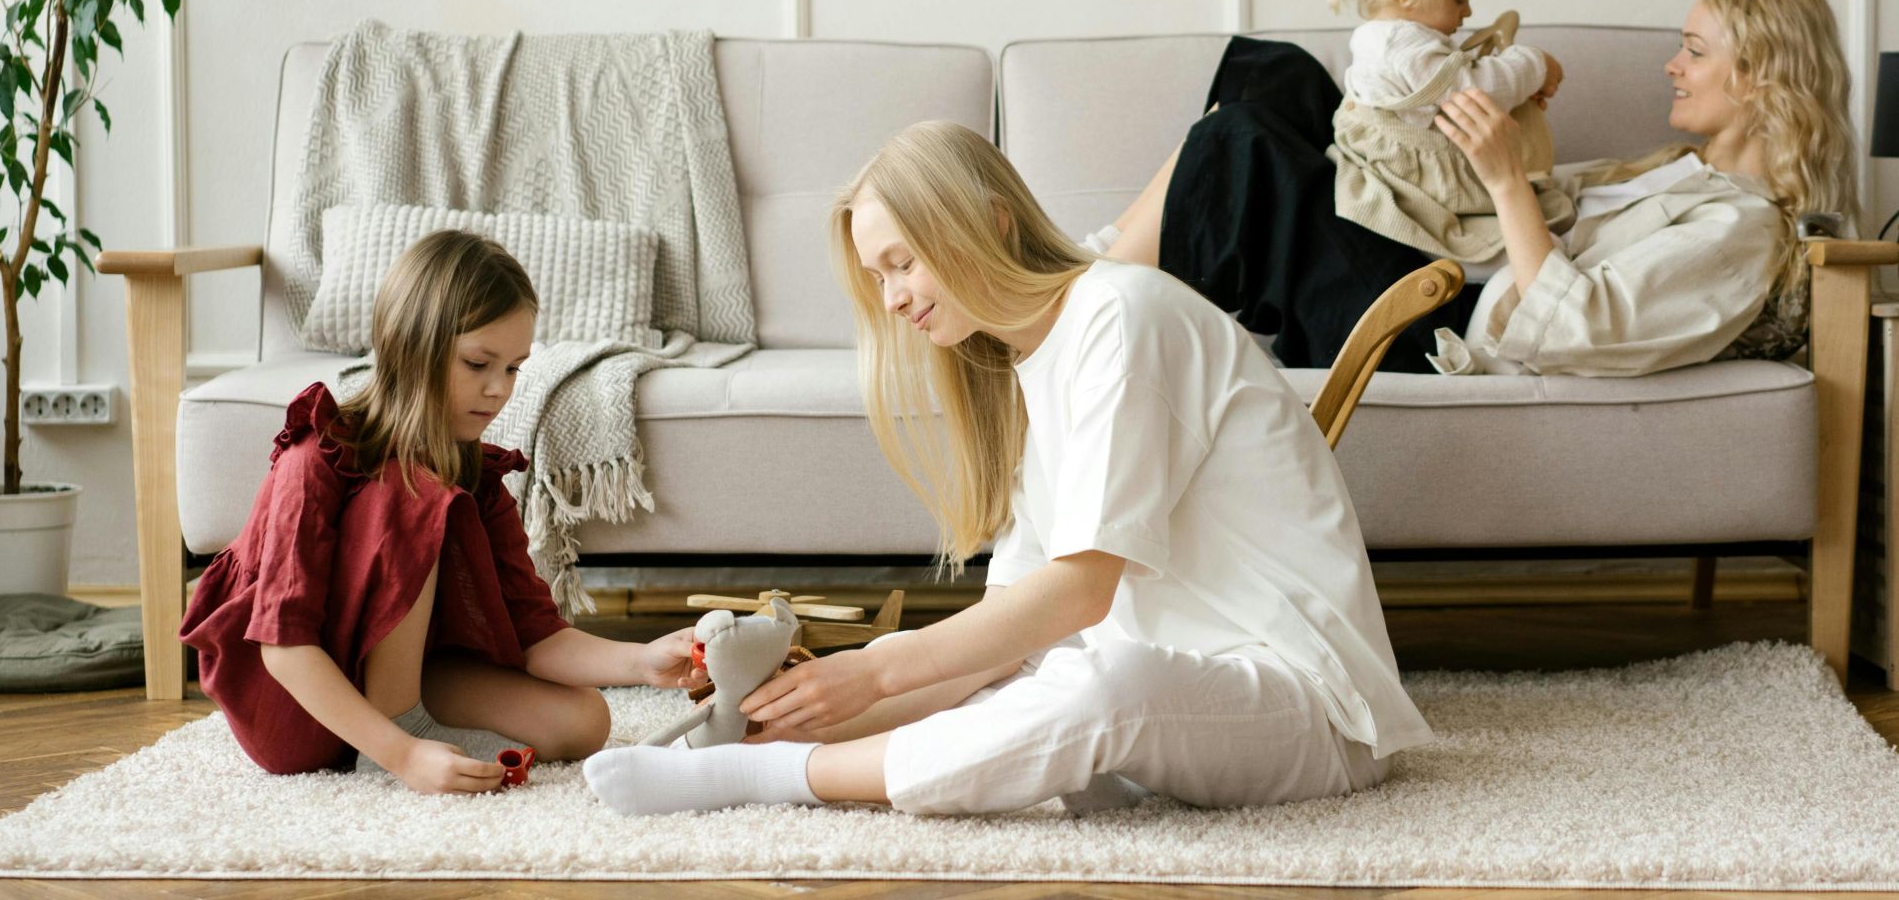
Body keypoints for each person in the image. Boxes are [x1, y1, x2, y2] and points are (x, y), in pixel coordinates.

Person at [581, 120, 1432, 816]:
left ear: (988, 220)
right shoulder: (1029, 369)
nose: (892, 299)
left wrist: (867, 675)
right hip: (1181, 687)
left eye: (902, 262)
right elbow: (1003, 638)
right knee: (1034, 673)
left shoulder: (1121, 316)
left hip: (1310, 707)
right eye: (879, 276)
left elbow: (1080, 593)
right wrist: (811, 713)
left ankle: (764, 780)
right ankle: (783, 754)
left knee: (1109, 682)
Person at [1119, 0, 1857, 377]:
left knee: (1243, 142)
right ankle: (1099, 272)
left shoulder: (1743, 227)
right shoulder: (1678, 172)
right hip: (1439, 258)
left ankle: (1084, 299)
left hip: (1432, 318)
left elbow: (1579, 325)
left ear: (1760, 77)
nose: (1673, 65)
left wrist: (1506, 181)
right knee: (1280, 76)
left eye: (1695, 51)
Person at [179, 230, 705, 795]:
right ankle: (393, 733)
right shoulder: (316, 459)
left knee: (584, 722)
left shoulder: (475, 474)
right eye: (479, 363)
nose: (498, 389)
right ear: (413, 347)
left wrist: (643, 661)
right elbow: (283, 649)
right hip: (292, 704)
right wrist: (404, 754)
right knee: (412, 489)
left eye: (513, 369)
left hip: (396, 674)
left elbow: (538, 638)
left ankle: (402, 716)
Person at [1325, 0, 1573, 266]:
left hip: (1395, 167)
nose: (1468, 11)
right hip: (1417, 191)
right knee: (1543, 225)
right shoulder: (1402, 45)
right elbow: (1473, 89)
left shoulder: (1383, 37)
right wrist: (1534, 65)